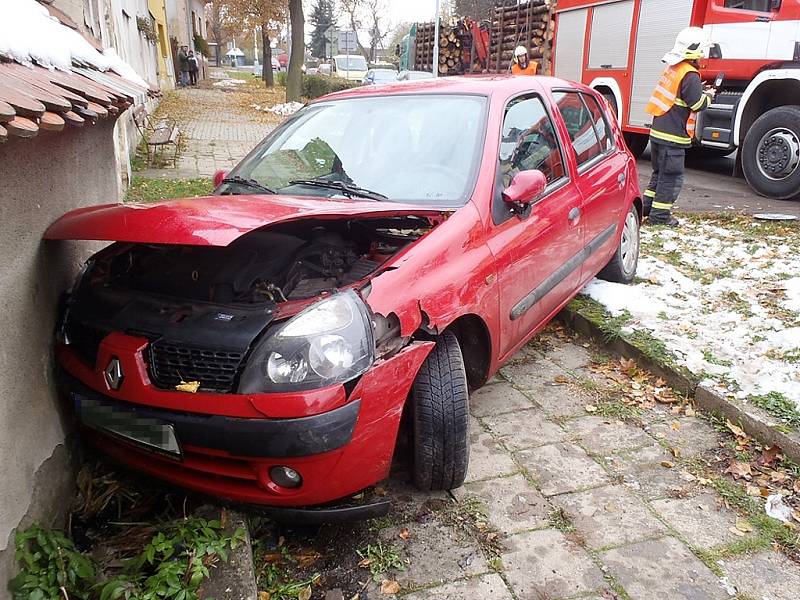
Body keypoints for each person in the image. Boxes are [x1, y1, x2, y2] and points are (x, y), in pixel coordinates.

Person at [643, 27, 714, 226]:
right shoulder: (691, 74)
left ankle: (647, 208)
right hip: (673, 138)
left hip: (658, 133)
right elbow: (697, 104)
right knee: (671, 178)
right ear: (696, 50)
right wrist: (709, 96)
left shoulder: (674, 68)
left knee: (659, 175)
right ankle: (660, 217)